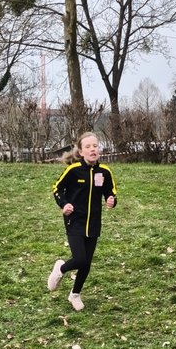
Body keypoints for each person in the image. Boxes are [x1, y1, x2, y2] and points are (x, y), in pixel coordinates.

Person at [48, 132, 117, 311]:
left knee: (86, 263)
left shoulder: (104, 171)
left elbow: (110, 192)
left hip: (93, 223)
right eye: (88, 147)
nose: (93, 149)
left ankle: (75, 294)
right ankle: (61, 269)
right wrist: (64, 204)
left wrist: (111, 200)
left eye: (95, 146)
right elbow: (57, 188)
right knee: (79, 258)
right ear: (81, 151)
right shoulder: (73, 170)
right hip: (75, 221)